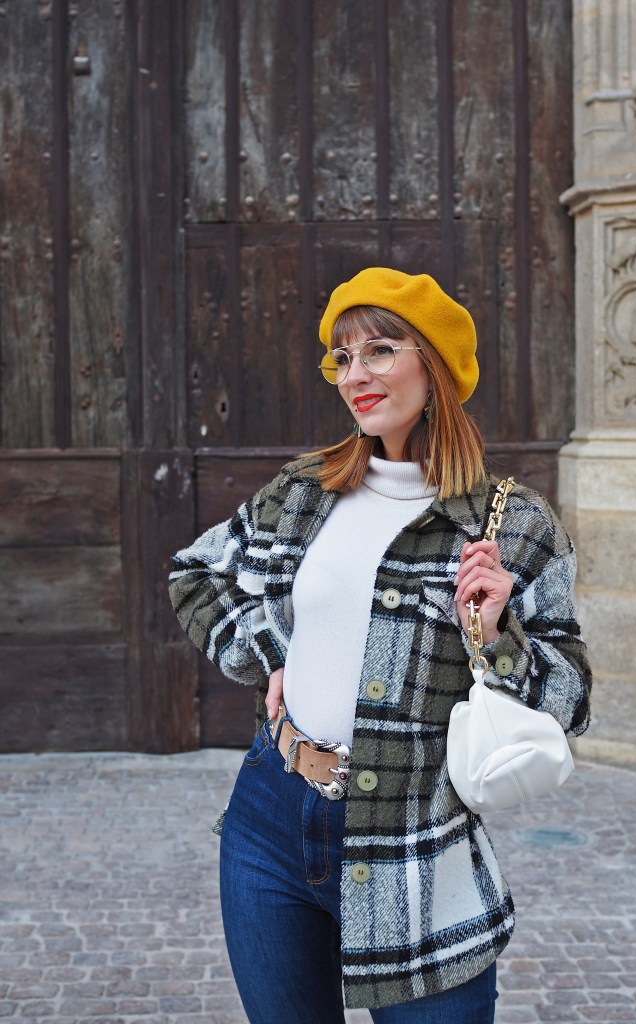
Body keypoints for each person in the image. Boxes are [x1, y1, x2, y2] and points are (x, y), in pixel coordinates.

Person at [169, 267, 591, 1023]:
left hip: (417, 843)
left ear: (435, 365)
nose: (354, 376)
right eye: (342, 358)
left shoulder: (513, 524)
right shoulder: (307, 490)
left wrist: (498, 634)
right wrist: (273, 656)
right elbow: (197, 573)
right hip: (271, 814)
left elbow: (573, 696)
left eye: (380, 351)